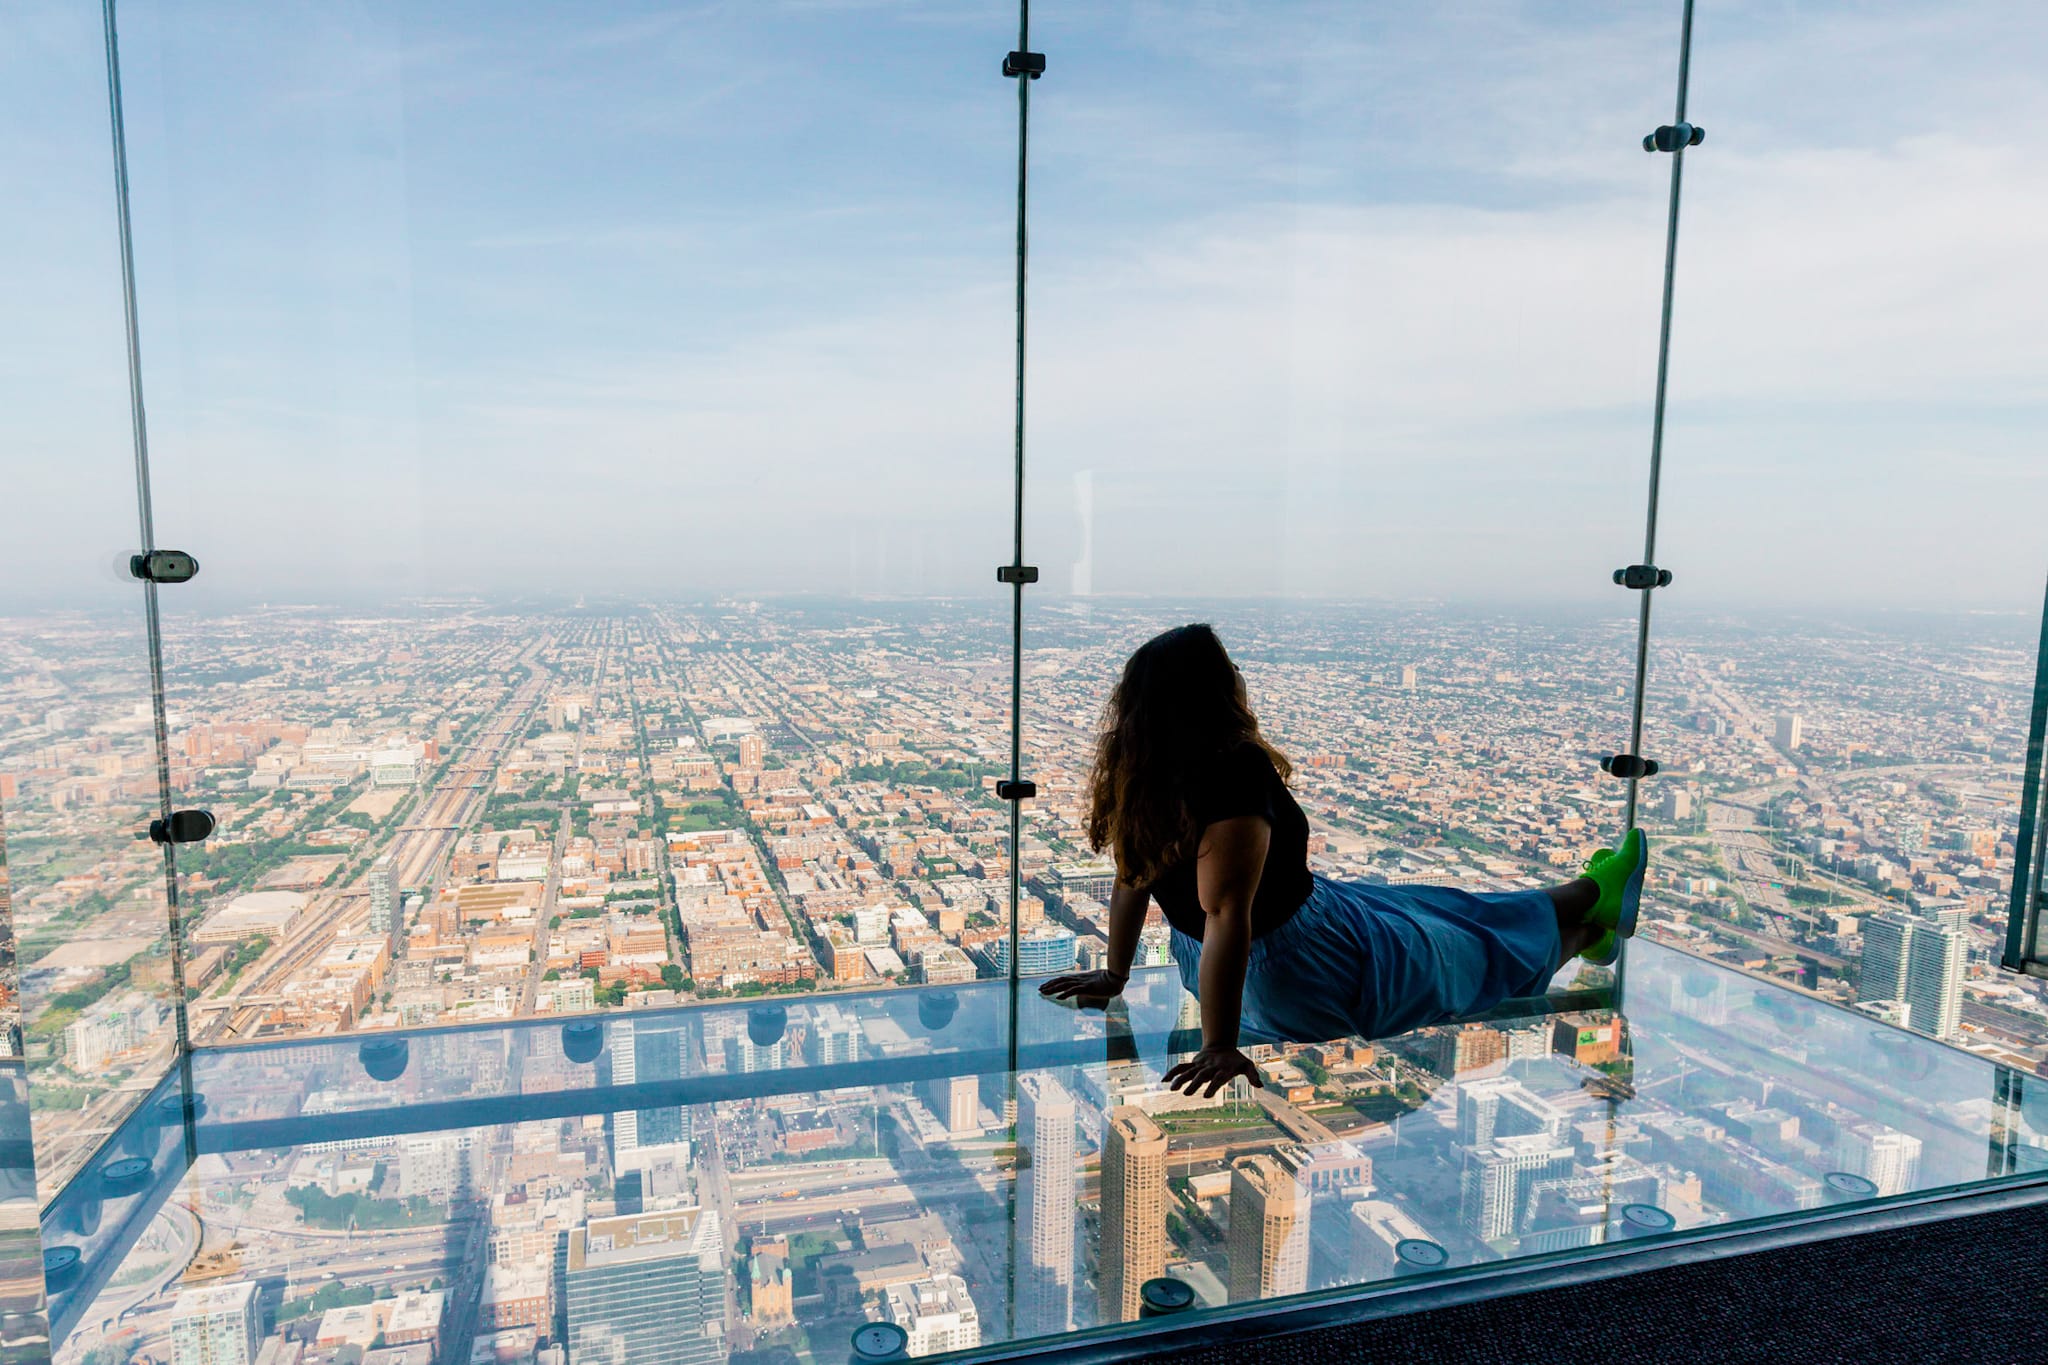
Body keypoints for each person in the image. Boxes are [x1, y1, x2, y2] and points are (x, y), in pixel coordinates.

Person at [1039, 623, 1647, 1098]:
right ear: (1213, 692)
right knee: (1467, 957)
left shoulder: (1139, 771)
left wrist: (1116, 975)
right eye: (1231, 669)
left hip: (1210, 968)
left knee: (1435, 908)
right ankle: (1592, 927)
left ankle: (1593, 894)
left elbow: (1130, 882)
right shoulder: (1231, 771)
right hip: (1298, 963)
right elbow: (1227, 915)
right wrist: (1219, 1045)